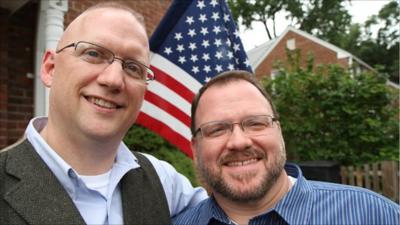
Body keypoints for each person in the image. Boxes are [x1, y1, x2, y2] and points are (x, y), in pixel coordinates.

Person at [0, 2, 207, 225]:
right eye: (93, 53)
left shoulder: (165, 183)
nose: (113, 80)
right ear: (50, 69)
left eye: (133, 67)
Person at [173, 70, 400, 225]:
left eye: (255, 123)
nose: (239, 141)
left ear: (279, 132)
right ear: (195, 148)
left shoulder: (373, 215)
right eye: (217, 129)